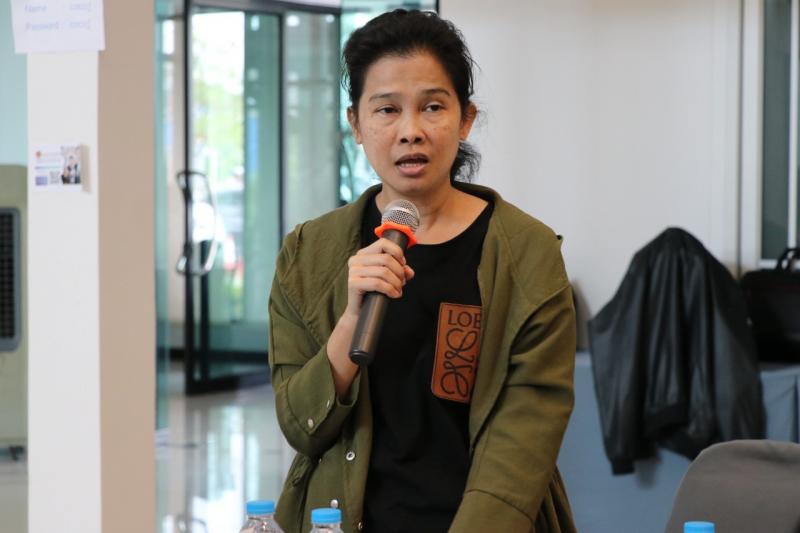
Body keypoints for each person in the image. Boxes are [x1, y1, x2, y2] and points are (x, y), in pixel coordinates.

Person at [269, 9, 576, 533]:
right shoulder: (308, 253)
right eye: (387, 109)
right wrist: (350, 322)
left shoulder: (528, 253)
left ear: (465, 119)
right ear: (356, 124)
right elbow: (301, 426)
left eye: (432, 107)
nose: (411, 132)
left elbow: (526, 433)